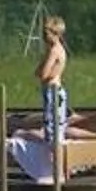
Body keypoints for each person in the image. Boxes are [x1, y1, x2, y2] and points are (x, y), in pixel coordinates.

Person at [37, 15, 70, 153]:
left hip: (53, 90)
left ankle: (54, 159)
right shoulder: (55, 49)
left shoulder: (54, 50)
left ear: (56, 34)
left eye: (47, 34)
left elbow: (44, 73)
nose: (44, 37)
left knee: (53, 126)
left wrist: (42, 68)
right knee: (53, 126)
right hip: (52, 90)